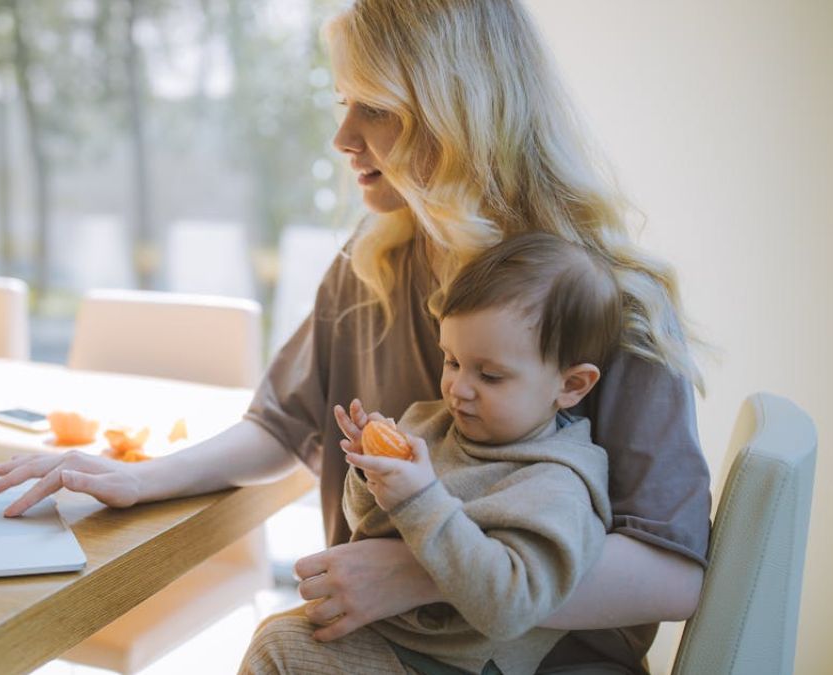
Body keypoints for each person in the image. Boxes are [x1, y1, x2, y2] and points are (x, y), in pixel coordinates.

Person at [0, 0, 710, 671]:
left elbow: (673, 572)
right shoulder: (374, 260)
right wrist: (142, 477)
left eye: (377, 108)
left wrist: (422, 573)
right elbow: (282, 423)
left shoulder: (610, 301)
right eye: (343, 103)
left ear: (459, 113)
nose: (342, 137)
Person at [241, 232, 621, 675]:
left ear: (571, 385)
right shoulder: (432, 423)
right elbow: (368, 529)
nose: (458, 388)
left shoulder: (556, 484)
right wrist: (371, 475)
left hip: (455, 665)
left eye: (491, 375)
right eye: (452, 361)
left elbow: (511, 607)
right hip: (392, 638)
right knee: (282, 632)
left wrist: (420, 499)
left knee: (280, 648)